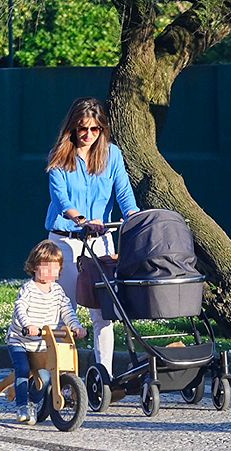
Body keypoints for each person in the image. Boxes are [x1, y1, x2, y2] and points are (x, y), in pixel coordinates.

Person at [44, 97, 138, 377]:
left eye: (95, 130)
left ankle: (103, 375)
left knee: (102, 312)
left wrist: (134, 217)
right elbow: (60, 198)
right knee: (66, 310)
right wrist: (81, 220)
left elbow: (124, 193)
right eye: (82, 129)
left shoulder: (112, 155)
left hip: (101, 240)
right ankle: (63, 377)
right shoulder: (60, 156)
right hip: (66, 240)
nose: (88, 136)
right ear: (72, 128)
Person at [6, 240, 87, 424]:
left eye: (55, 268)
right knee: (23, 369)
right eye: (45, 267)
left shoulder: (57, 291)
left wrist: (76, 327)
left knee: (46, 375)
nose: (50, 273)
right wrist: (28, 325)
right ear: (34, 267)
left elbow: (67, 311)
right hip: (21, 340)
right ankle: (22, 407)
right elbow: (20, 308)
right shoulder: (29, 288)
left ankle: (33, 402)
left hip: (43, 342)